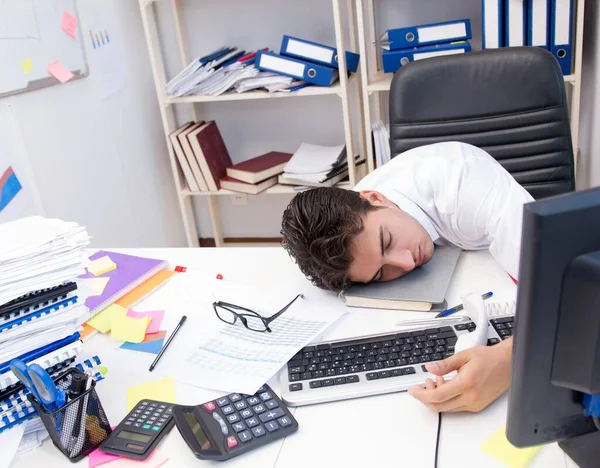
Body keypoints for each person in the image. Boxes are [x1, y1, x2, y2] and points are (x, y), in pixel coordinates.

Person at [280, 141, 534, 413]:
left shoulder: (467, 186)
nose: (406, 262)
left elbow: (570, 288)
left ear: (375, 198)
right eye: (380, 273)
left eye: (387, 242)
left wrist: (509, 361)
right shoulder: (351, 220)